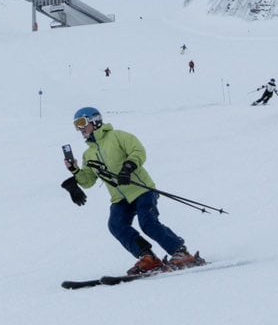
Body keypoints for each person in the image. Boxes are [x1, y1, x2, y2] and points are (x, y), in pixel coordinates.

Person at [60, 107, 203, 276]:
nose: (80, 128)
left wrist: (127, 168)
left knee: (148, 223)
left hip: (141, 190)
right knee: (116, 225)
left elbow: (138, 151)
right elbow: (89, 181)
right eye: (76, 125)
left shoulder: (117, 136)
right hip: (119, 198)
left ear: (95, 121)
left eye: (82, 122)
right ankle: (148, 258)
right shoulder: (88, 154)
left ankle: (181, 252)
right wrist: (75, 171)